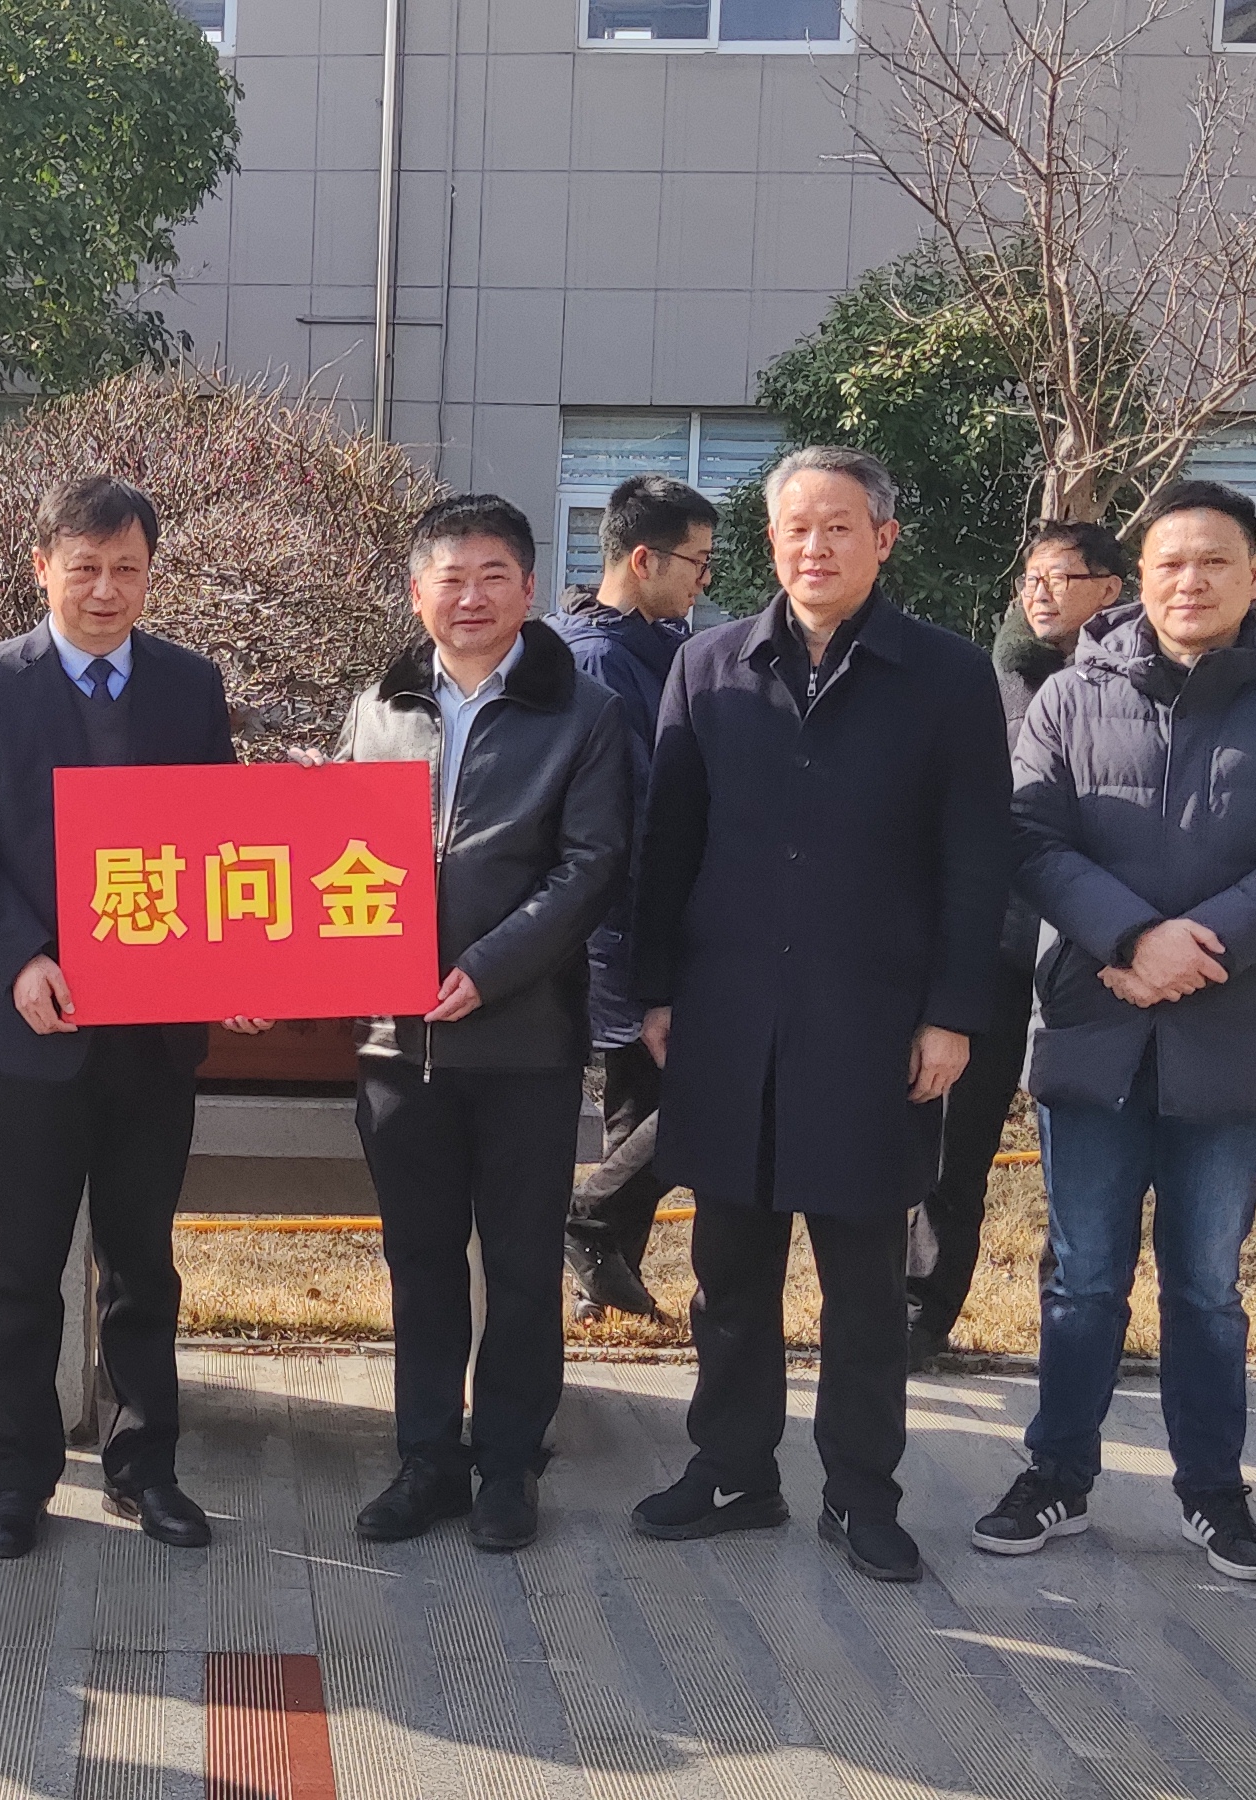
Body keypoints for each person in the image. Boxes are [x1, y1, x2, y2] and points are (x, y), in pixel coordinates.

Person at [624, 446, 1009, 1584]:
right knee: (729, 1271)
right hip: (730, 1015)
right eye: (796, 527)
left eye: (840, 527)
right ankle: (733, 1469)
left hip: (872, 1021)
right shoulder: (708, 668)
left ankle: (861, 1493)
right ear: (770, 541)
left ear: (883, 540)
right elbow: (667, 843)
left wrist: (952, 1013)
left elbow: (977, 858)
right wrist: (655, 991)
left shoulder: (944, 677)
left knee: (864, 1287)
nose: (816, 547)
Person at [977, 481, 1256, 1582]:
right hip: (1093, 1023)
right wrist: (1129, 938)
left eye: (1212, 562)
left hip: (1232, 1030)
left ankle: (1213, 1492)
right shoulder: (1069, 697)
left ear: (1254, 576)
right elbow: (1027, 837)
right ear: (1136, 581)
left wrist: (1196, 948)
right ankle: (1056, 1475)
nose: (1189, 582)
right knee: (1082, 1278)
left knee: (1205, 1285)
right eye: (1169, 564)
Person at [0, 476, 242, 1561]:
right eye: (85, 567)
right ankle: (16, 1478)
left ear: (150, 574)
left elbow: (220, 838)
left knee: (143, 1259)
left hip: (156, 1030)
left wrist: (236, 962)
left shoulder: (189, 684)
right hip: (36, 1027)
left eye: (127, 569)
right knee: (23, 1264)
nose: (106, 590)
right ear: (42, 568)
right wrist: (20, 956)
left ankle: (144, 1469)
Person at [336, 494, 634, 1555]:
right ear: (417, 591)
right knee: (418, 1265)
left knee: (518, 1266)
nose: (470, 597)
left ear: (528, 587)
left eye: (492, 576)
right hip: (395, 1045)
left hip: (522, 1042)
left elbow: (591, 865)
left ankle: (507, 1464)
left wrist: (488, 968)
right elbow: (332, 848)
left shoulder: (584, 713)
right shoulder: (378, 705)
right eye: (449, 578)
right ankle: (426, 1459)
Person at [908, 521, 1131, 1366]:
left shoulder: (1137, 685)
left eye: (1060, 577)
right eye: (1030, 577)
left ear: (1110, 589)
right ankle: (919, 1310)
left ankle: (1076, 1324)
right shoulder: (989, 679)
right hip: (997, 946)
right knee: (952, 1140)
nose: (1039, 592)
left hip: (1094, 953)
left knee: (1086, 1158)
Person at [558, 474, 715, 1324]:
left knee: (641, 1099)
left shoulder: (652, 646)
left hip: (647, 916)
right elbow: (638, 811)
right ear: (644, 559)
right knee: (693, 1089)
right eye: (697, 562)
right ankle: (587, 1220)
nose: (704, 581)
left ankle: (603, 1277)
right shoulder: (598, 660)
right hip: (622, 921)